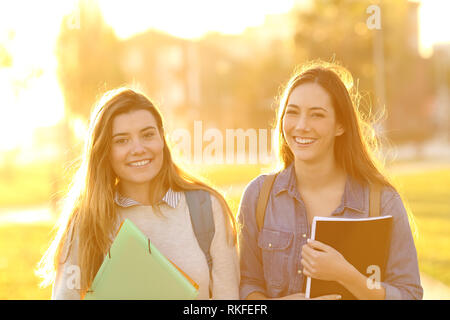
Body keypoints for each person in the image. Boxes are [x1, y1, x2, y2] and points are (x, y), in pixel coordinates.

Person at [237, 61, 423, 300]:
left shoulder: (382, 201)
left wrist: (347, 275)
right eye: (292, 112)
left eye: (317, 115)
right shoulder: (258, 195)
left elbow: (410, 294)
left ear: (341, 125)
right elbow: (247, 285)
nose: (302, 126)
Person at [36, 87, 239, 299]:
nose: (138, 148)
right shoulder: (86, 221)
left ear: (162, 138)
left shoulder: (206, 208)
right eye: (122, 140)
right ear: (105, 150)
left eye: (148, 135)